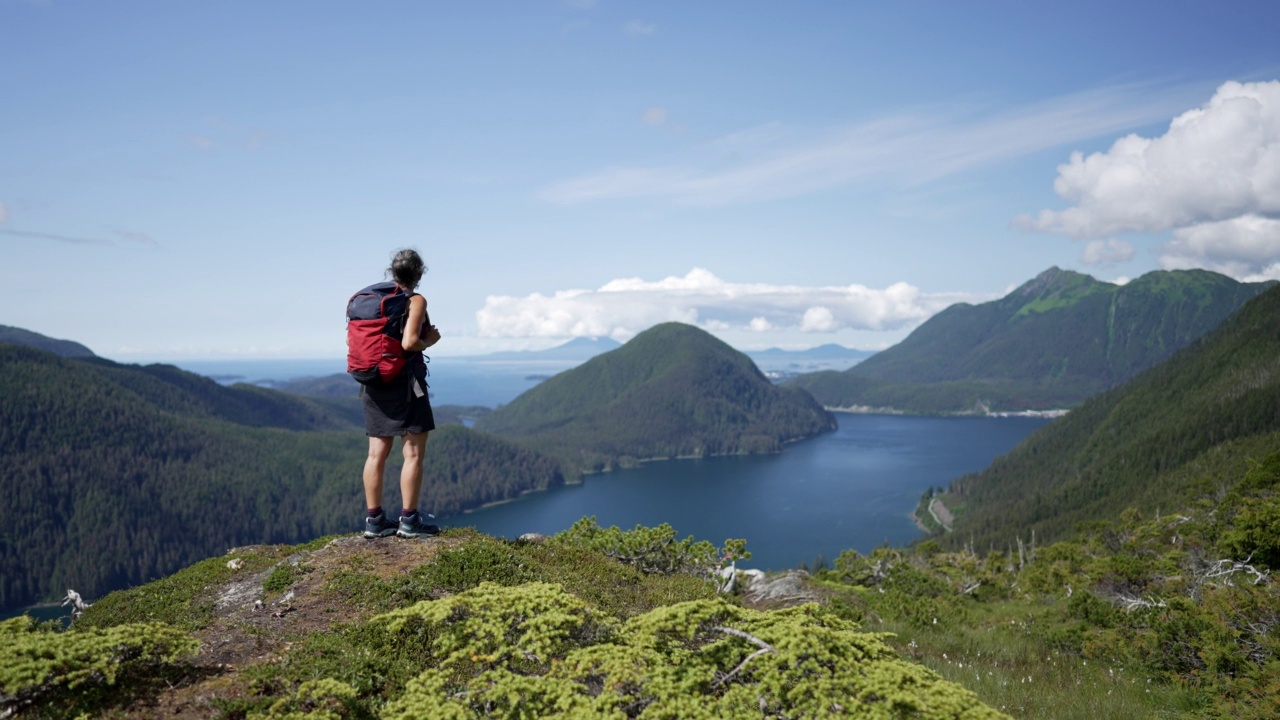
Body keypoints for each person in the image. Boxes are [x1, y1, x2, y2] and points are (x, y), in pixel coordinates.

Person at [358, 248, 443, 539]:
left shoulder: (372, 298)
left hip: (373, 382)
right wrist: (428, 341)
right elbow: (409, 343)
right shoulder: (414, 300)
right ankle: (408, 521)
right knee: (413, 452)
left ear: (392, 272)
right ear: (419, 273)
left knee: (376, 454)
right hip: (405, 384)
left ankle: (375, 521)